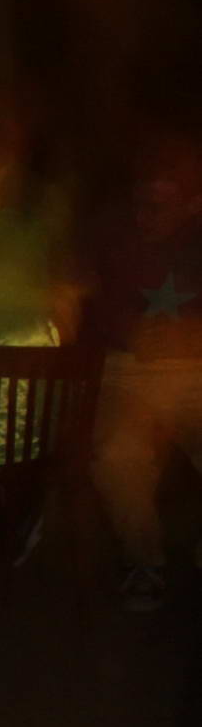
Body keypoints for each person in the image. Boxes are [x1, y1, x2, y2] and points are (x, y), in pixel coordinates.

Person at [90, 125, 202, 611]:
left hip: (198, 373)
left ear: (194, 204)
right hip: (128, 372)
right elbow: (88, 299)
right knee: (116, 455)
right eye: (141, 201)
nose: (146, 215)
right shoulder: (112, 231)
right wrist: (129, 329)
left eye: (162, 204)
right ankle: (143, 560)